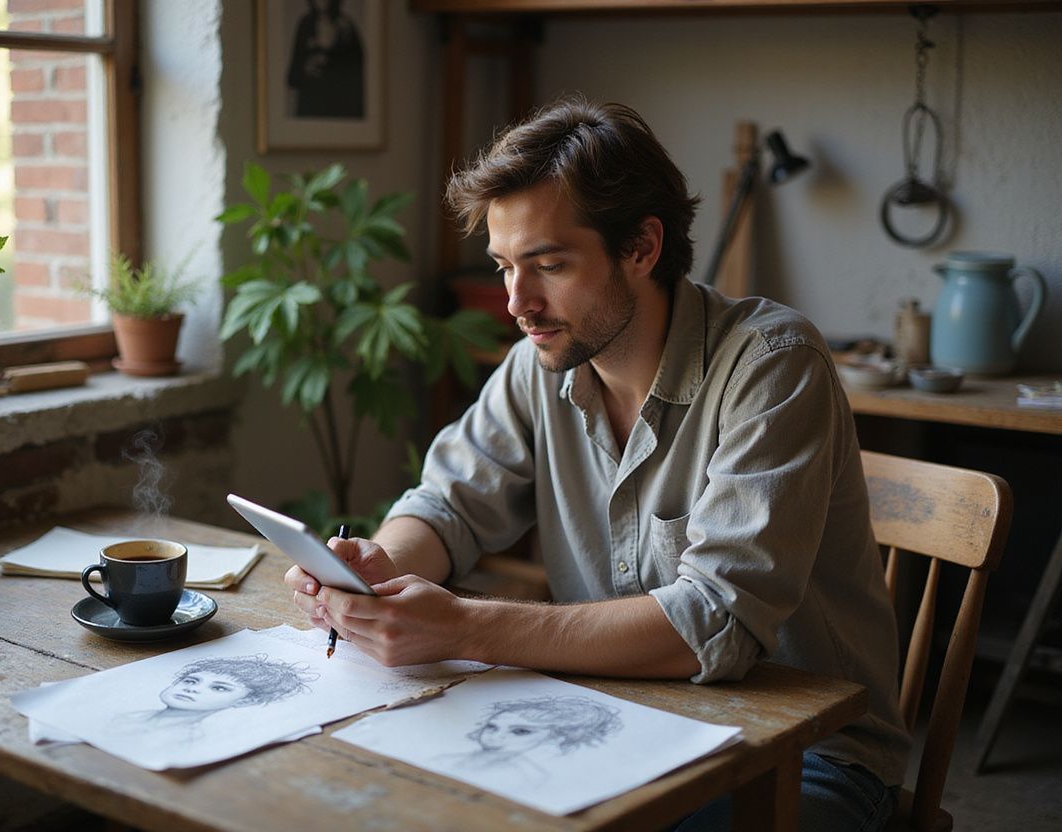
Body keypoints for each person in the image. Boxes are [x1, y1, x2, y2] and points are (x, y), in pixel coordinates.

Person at [286, 96, 908, 830]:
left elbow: (714, 622)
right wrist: (378, 570)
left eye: (547, 264)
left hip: (807, 758)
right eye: (504, 266)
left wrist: (460, 626)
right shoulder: (537, 365)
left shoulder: (773, 365)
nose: (518, 302)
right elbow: (445, 507)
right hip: (614, 718)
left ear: (641, 248)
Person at [117, 655, 317, 742]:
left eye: (219, 688)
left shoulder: (189, 740)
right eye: (191, 681)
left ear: (246, 701)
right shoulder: (128, 717)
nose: (192, 690)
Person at [435, 696, 623, 786]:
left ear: (556, 737)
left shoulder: (528, 778)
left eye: (521, 731)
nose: (496, 736)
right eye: (492, 726)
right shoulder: (444, 760)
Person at [286, 0, 364, 119]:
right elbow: (292, 77)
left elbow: (357, 76)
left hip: (339, 112)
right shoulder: (305, 25)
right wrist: (306, 68)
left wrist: (332, 59)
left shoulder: (347, 27)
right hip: (310, 112)